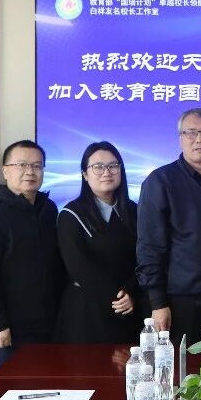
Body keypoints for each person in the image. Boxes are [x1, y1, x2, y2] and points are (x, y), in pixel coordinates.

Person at [136, 109, 201, 344]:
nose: (199, 139)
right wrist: (158, 302)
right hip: (180, 303)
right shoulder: (160, 181)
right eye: (191, 132)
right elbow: (149, 248)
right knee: (182, 366)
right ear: (180, 138)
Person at [0, 140, 61, 370]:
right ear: (5, 171)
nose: (30, 171)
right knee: (12, 390)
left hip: (46, 325)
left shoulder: (48, 209)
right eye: (21, 165)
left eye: (37, 166)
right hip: (8, 330)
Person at [56, 141, 143, 343]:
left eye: (113, 166)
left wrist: (132, 292)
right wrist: (119, 298)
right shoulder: (71, 214)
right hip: (88, 312)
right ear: (85, 174)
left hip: (130, 306)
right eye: (98, 167)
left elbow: (145, 257)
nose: (107, 172)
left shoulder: (134, 211)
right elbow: (78, 266)